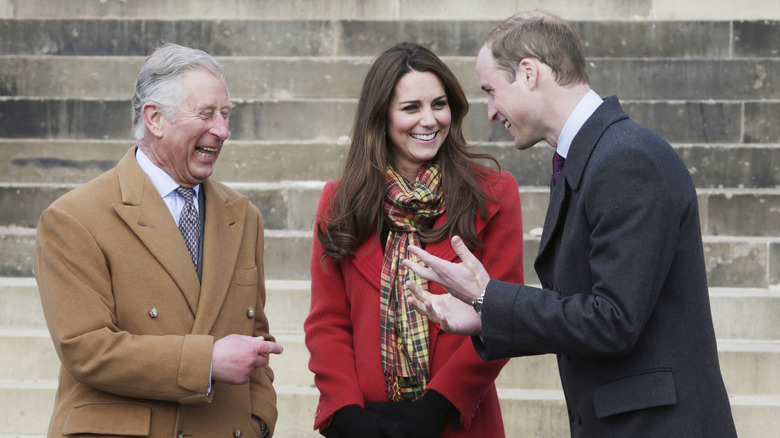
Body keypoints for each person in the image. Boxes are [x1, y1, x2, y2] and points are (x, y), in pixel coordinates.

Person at [404, 10, 737, 438]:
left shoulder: (625, 158)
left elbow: (612, 320)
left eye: (491, 90)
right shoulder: (595, 154)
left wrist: (489, 296)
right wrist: (484, 315)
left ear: (528, 73)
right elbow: (584, 311)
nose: (489, 112)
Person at [34, 43, 283, 437]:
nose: (222, 130)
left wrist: (258, 420)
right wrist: (206, 362)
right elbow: (86, 349)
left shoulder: (244, 217)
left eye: (225, 114)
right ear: (155, 118)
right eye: (206, 114)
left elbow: (255, 337)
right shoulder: (74, 218)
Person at [303, 42, 524, 438]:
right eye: (411, 108)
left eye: (439, 104)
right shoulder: (339, 203)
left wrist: (436, 406)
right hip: (364, 423)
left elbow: (503, 317)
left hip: (455, 418)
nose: (429, 120)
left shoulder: (494, 192)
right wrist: (348, 413)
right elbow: (328, 323)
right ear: (381, 116)